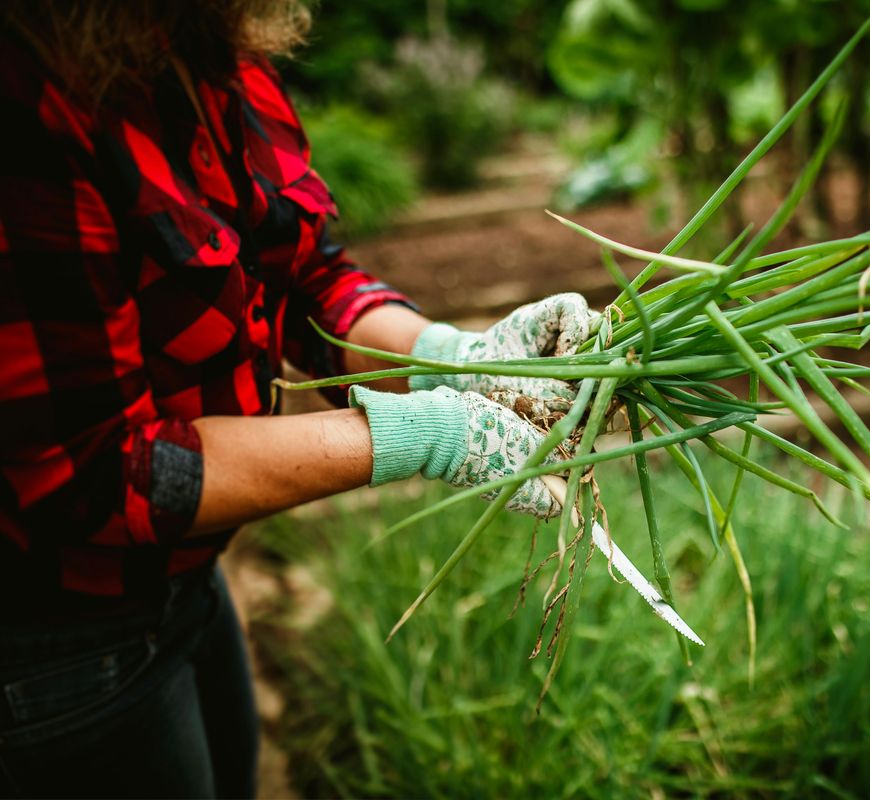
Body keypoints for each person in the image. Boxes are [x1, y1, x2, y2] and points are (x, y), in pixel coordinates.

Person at [0, 2, 589, 796]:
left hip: (190, 577)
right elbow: (94, 471)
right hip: (59, 638)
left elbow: (307, 277)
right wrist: (429, 434)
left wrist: (459, 356)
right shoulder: (28, 102)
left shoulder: (213, 50)